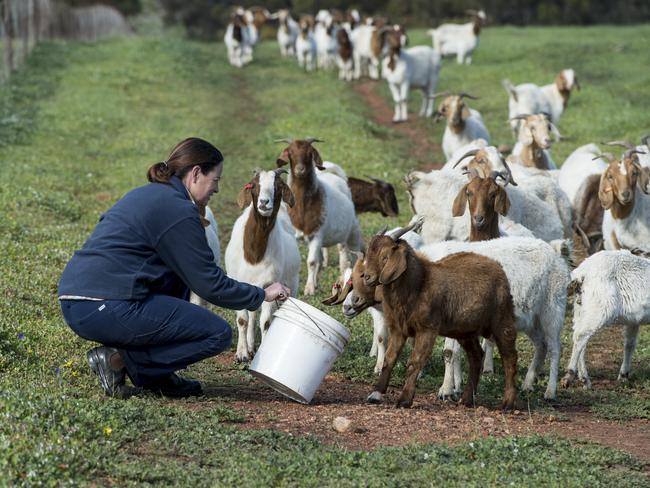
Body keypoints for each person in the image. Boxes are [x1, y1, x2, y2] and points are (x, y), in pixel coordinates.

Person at [58, 137, 290, 398]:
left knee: (177, 279)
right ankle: (118, 360)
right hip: (102, 304)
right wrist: (261, 294)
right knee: (216, 333)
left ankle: (157, 376)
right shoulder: (178, 210)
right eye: (215, 180)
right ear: (195, 174)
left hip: (82, 299)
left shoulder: (151, 194)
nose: (217, 189)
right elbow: (209, 283)